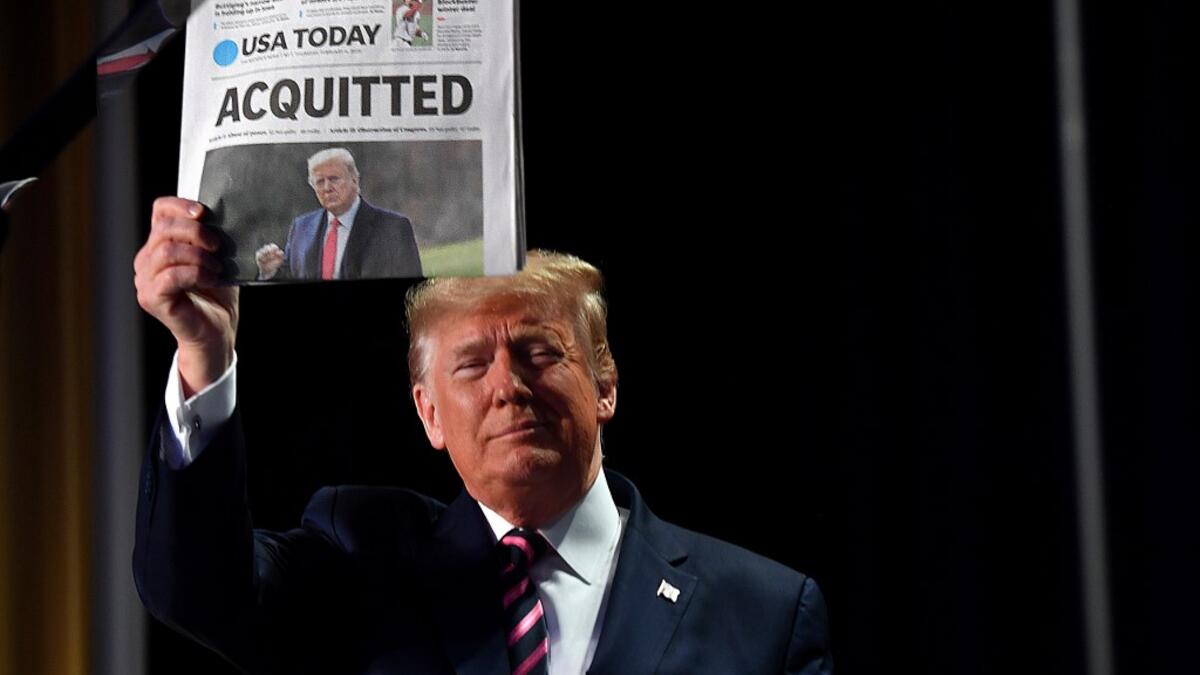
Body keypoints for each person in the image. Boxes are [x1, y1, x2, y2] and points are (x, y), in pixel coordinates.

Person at [132, 197, 833, 674]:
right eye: (471, 364)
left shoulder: (765, 611)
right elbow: (199, 592)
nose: (508, 385)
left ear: (606, 383)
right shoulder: (360, 558)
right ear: (429, 413)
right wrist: (205, 355)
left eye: (540, 352)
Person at [254, 147, 423, 281]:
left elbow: (413, 289)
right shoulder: (301, 227)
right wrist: (269, 273)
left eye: (334, 179)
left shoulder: (393, 227)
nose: (327, 188)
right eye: (320, 182)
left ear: (355, 180)